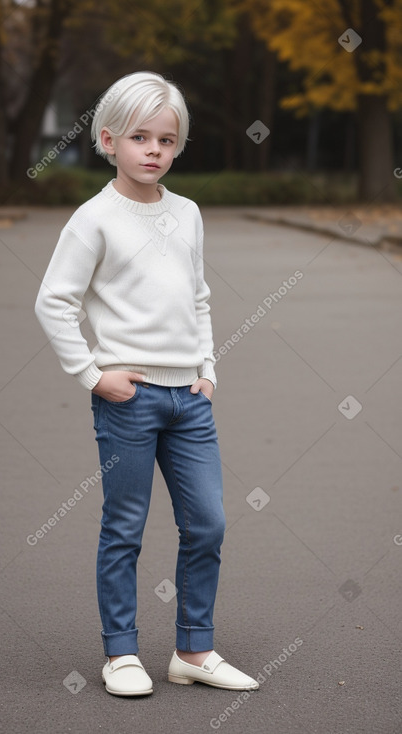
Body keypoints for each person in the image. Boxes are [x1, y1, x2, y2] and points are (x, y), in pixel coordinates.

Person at [34, 71, 259, 697]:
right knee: (125, 525)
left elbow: (200, 296)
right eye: (139, 137)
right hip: (128, 400)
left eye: (167, 138)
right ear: (108, 140)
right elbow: (54, 302)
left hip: (190, 400)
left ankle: (193, 648)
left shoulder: (186, 214)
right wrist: (91, 374)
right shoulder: (94, 219)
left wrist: (207, 371)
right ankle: (121, 654)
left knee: (208, 523)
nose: (154, 149)